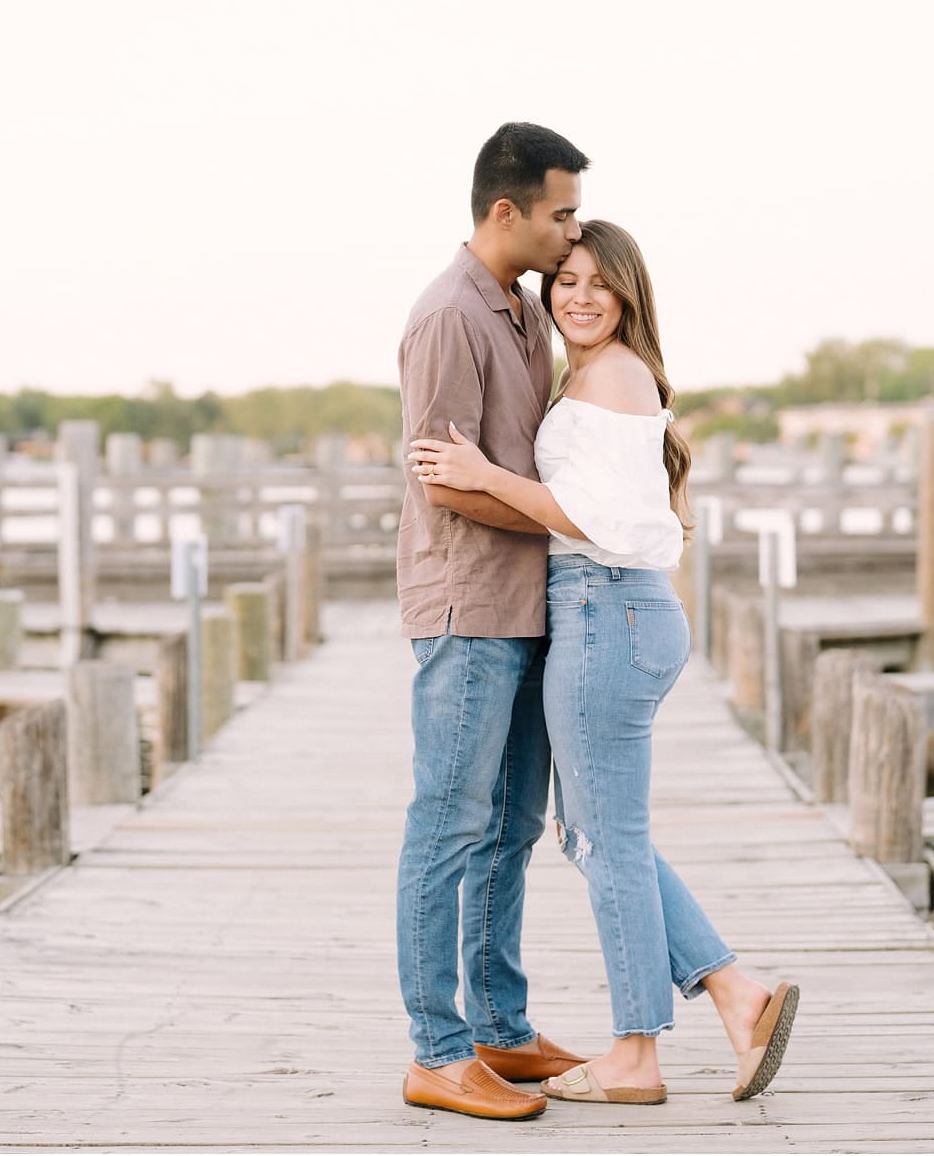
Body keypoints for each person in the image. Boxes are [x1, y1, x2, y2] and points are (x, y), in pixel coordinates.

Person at [408, 220, 801, 1105]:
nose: (578, 295)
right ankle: (738, 994)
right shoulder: (591, 372)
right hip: (612, 613)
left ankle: (635, 1054)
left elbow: (602, 520)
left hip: (605, 606)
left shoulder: (616, 374)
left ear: (629, 294)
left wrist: (482, 471)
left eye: (599, 283)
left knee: (604, 838)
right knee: (598, 833)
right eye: (567, 279)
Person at [393, 122, 591, 1121]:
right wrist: (562, 513)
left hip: (528, 606)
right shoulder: (447, 315)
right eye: (561, 212)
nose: (574, 230)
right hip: (466, 606)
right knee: (447, 826)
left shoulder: (521, 308)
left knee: (509, 826)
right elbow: (441, 480)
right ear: (505, 210)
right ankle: (434, 1048)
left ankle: (498, 1031)